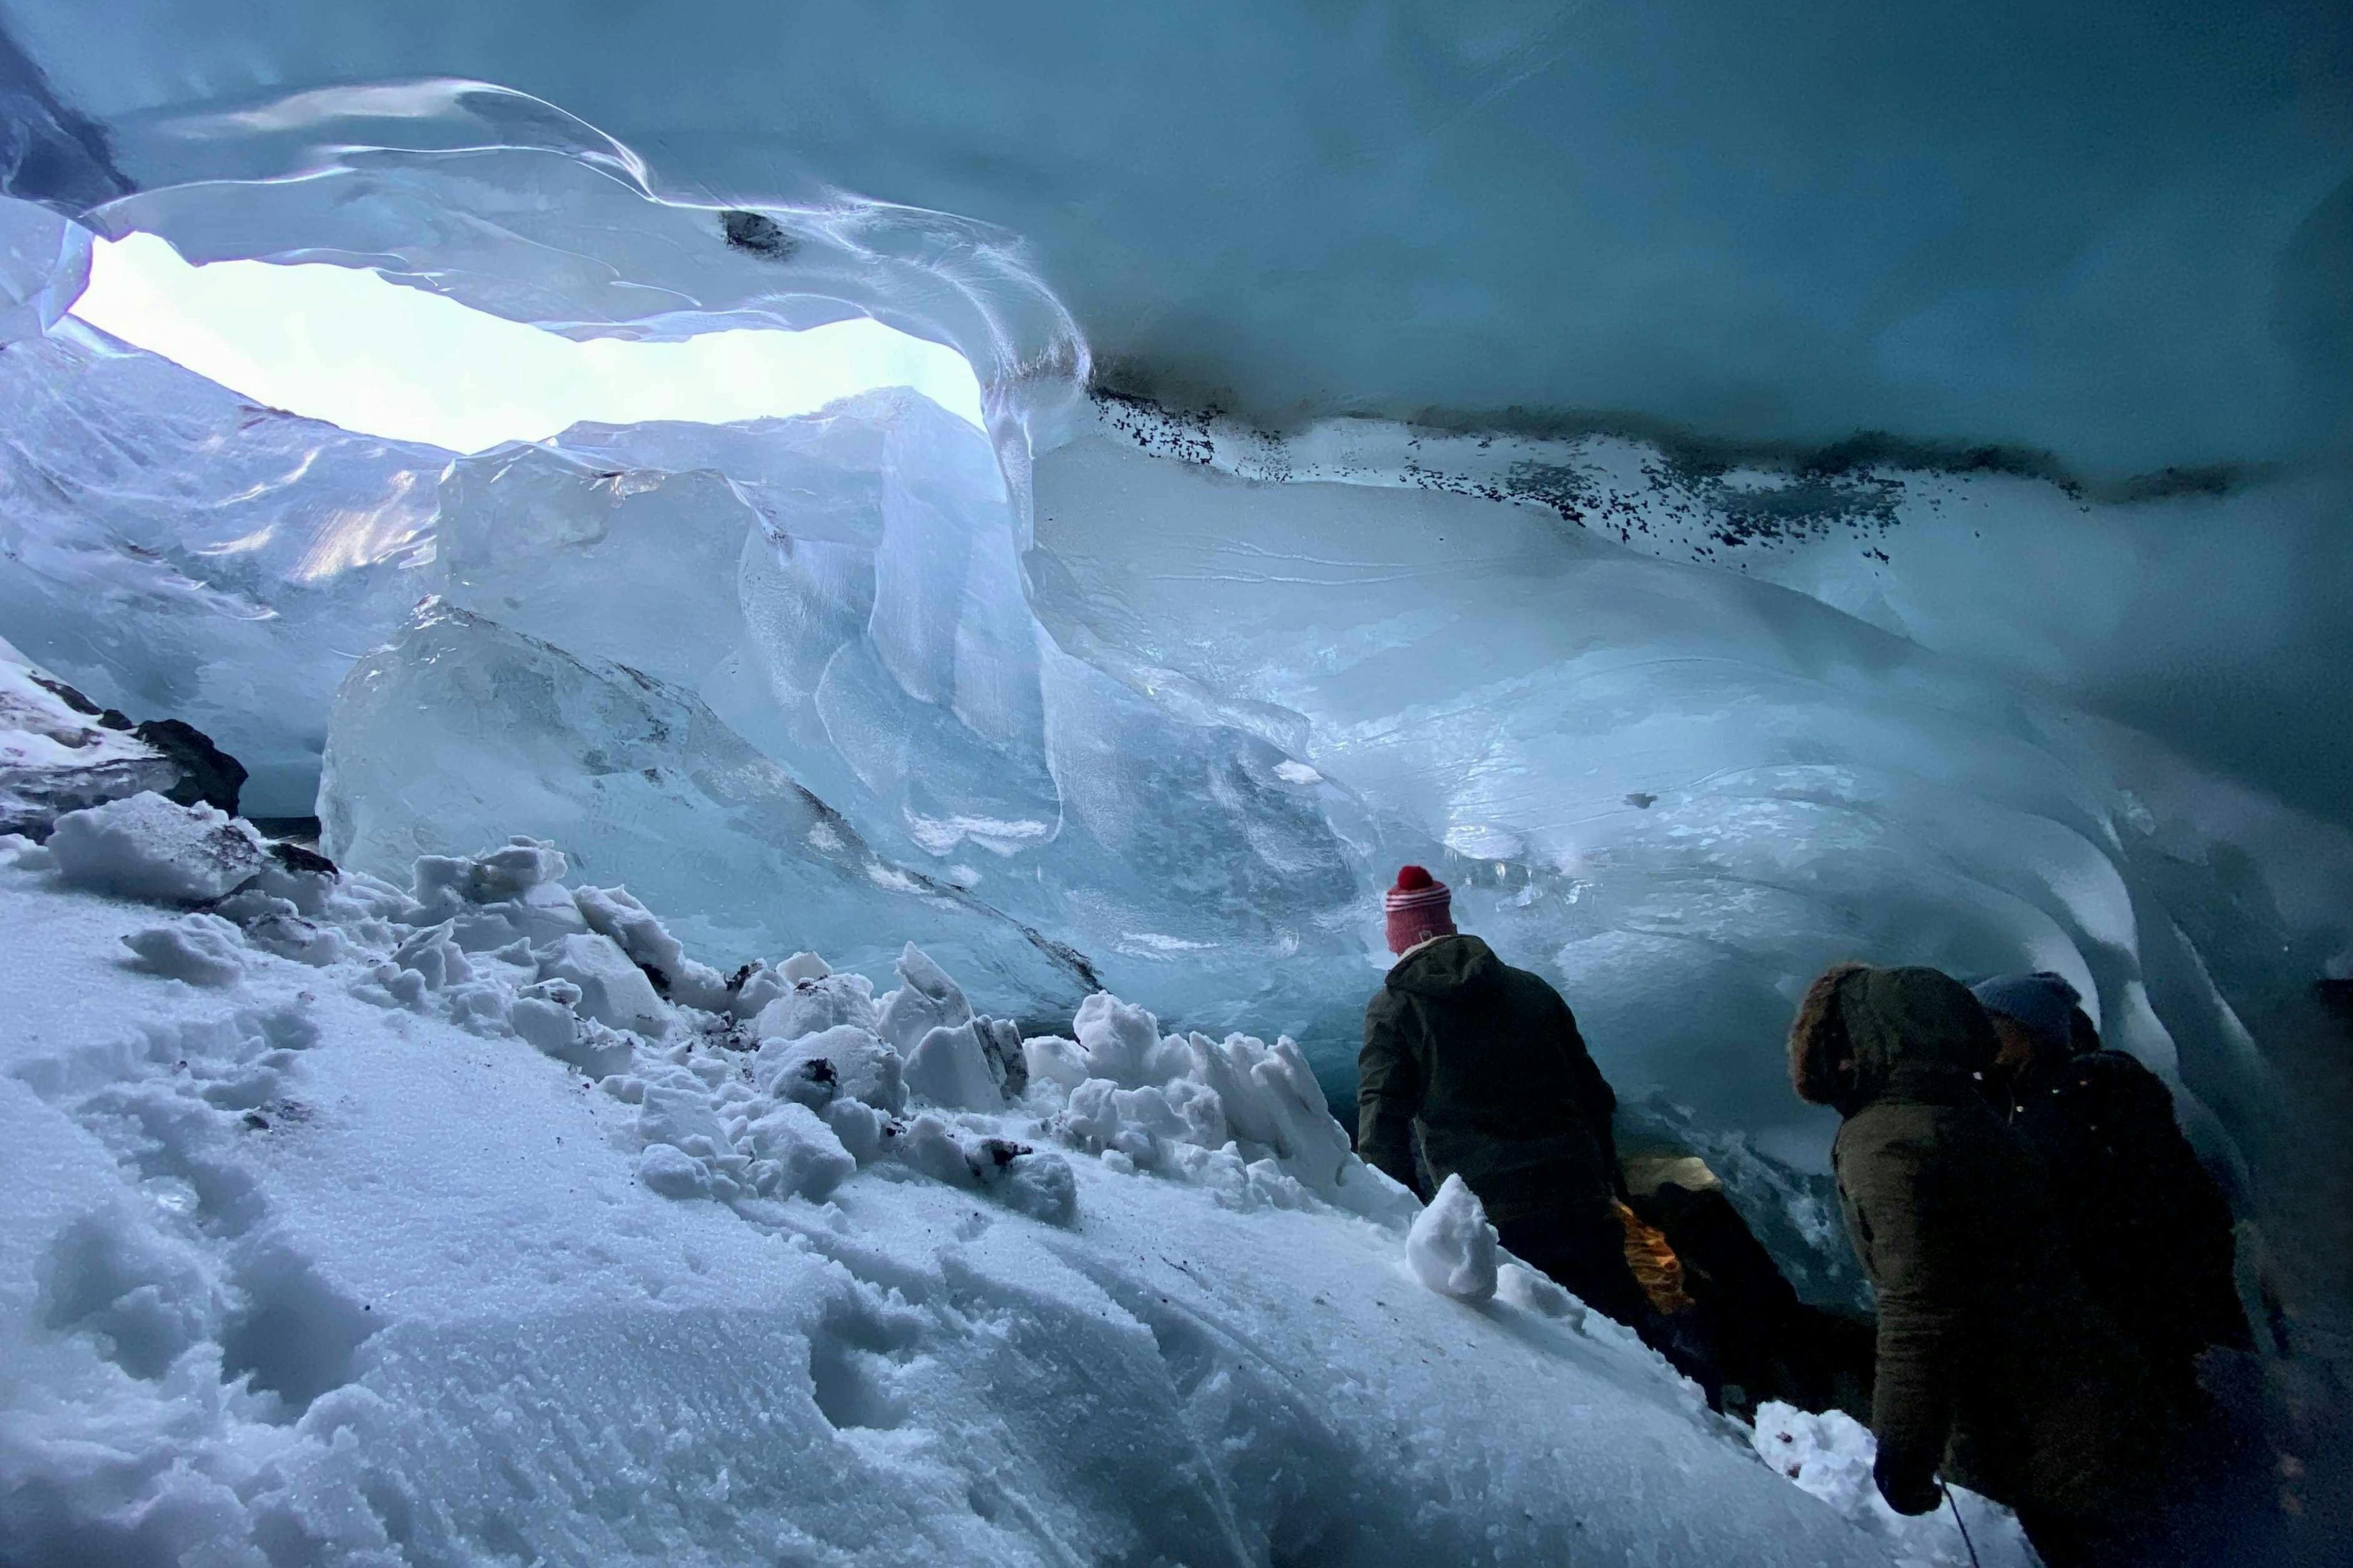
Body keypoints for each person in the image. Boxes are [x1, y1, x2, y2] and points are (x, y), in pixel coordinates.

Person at [1789, 962, 2177, 1566]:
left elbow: (1921, 1312)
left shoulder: (1889, 1142)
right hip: (2090, 1392)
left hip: (2036, 1423)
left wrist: (1904, 1454)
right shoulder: (1959, 1114)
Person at [1358, 866, 1652, 1333]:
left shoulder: (1396, 1009)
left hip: (1492, 1215)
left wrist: (1392, 1216)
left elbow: (1382, 1121)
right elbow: (1594, 1095)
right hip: (1579, 1195)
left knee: (1553, 1348)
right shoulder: (1531, 988)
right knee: (1627, 1339)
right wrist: (1606, 1181)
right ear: (1449, 925)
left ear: (1400, 936)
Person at [1971, 971, 2252, 1403]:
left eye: (1991, 1025)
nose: (1977, 1038)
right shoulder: (2032, 1100)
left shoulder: (2077, 1104)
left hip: (2137, 1315)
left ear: (2028, 1031)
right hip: (2137, 1313)